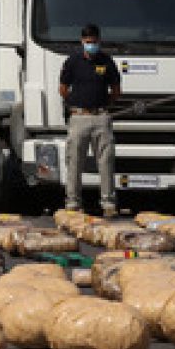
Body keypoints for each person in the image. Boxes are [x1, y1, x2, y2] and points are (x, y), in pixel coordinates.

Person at [59, 23, 121, 217]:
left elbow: (116, 90)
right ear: (82, 41)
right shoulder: (72, 62)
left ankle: (108, 203)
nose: (91, 45)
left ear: (99, 41)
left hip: (101, 117)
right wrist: (74, 104)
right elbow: (63, 88)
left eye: (94, 42)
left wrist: (103, 105)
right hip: (79, 118)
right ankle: (73, 202)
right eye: (87, 42)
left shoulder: (106, 61)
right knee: (75, 161)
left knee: (105, 161)